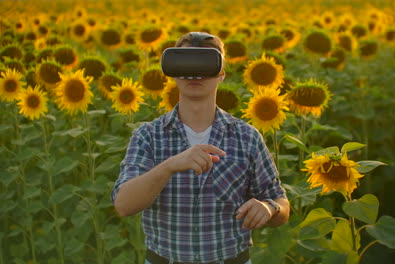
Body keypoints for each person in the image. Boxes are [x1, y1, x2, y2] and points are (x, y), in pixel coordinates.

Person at [111, 32, 290, 264]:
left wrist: (269, 207)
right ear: (173, 72)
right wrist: (169, 167)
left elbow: (281, 202)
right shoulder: (149, 136)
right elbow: (124, 205)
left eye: (206, 63)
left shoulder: (247, 137)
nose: (194, 73)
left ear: (221, 73)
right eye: (185, 63)